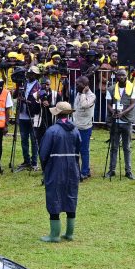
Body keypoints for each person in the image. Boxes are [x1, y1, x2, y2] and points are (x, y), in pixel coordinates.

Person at [38, 101, 82, 242]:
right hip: (72, 168)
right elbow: (79, 149)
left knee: (54, 197)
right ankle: (69, 233)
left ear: (56, 114)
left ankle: (54, 235)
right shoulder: (75, 130)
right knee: (71, 196)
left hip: (56, 167)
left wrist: (45, 168)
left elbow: (43, 153)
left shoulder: (52, 131)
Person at [104, 68, 135, 180]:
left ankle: (128, 171)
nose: (122, 77)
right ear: (116, 77)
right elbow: (108, 104)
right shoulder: (111, 89)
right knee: (114, 147)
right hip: (115, 121)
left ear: (126, 76)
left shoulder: (132, 88)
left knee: (127, 147)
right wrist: (113, 112)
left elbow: (133, 104)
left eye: (123, 75)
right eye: (119, 75)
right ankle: (112, 170)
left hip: (127, 121)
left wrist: (123, 113)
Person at [70, 76, 96, 179]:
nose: (76, 86)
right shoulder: (78, 93)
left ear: (85, 85)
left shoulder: (91, 96)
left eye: (78, 84)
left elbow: (84, 105)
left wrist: (84, 93)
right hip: (76, 126)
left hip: (85, 127)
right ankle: (77, 170)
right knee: (75, 150)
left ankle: (85, 172)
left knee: (84, 150)